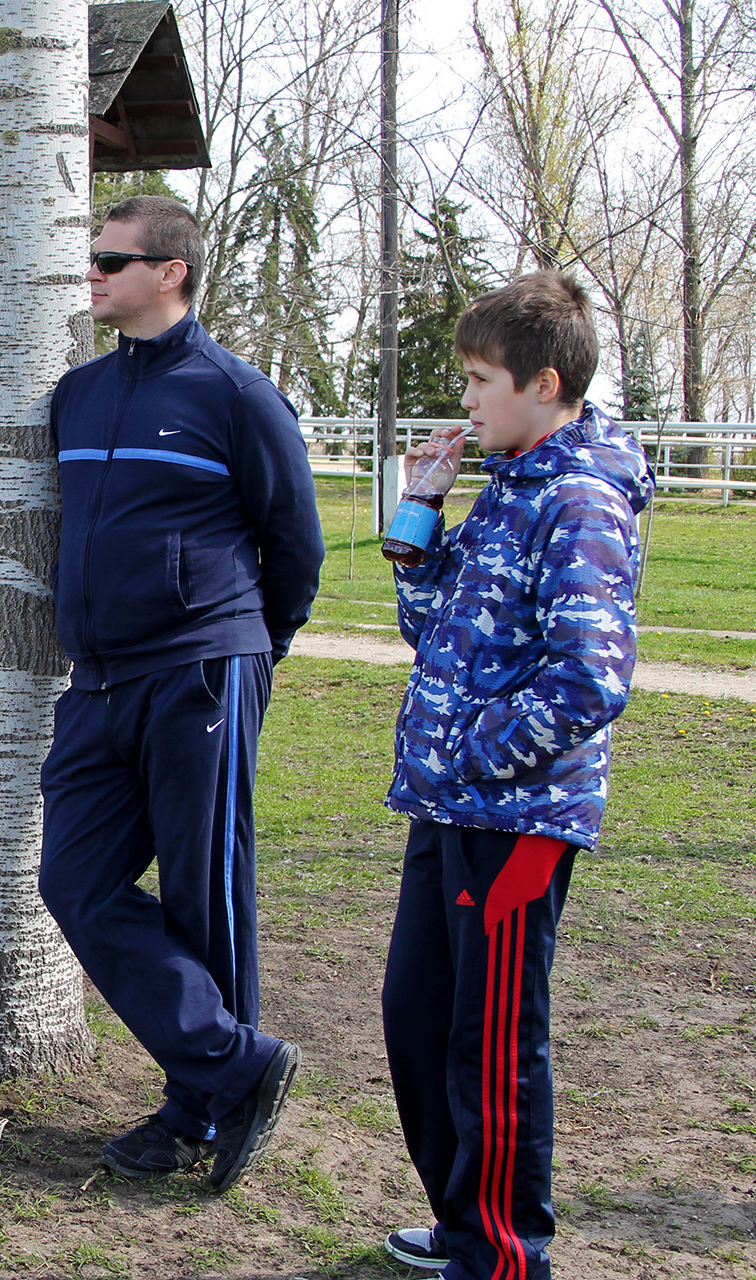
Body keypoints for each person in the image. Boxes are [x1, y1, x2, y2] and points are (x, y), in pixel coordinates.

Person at [37, 195, 323, 1193]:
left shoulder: (237, 394)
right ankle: (239, 1066)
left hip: (202, 669)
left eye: (112, 259)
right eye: (93, 258)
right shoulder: (77, 394)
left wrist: (251, 650)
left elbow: (295, 544)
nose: (94, 273)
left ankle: (195, 1110)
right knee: (73, 879)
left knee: (208, 892)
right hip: (97, 680)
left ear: (172, 272)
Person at [379, 274, 649, 1279]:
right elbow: (430, 628)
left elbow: (592, 678)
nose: (467, 401)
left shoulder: (580, 501)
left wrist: (472, 752)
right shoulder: (511, 485)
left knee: (488, 1041)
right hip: (450, 806)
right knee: (417, 1016)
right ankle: (464, 1224)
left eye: (481, 380)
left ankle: (502, 1253)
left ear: (545, 384)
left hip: (516, 818)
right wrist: (422, 506)